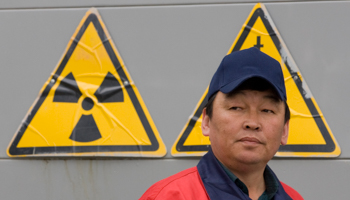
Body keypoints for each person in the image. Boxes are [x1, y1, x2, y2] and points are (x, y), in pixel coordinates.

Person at [139, 47, 303, 200]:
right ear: (206, 121)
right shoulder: (169, 196)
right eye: (236, 107)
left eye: (267, 110)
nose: (252, 123)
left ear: (284, 129)